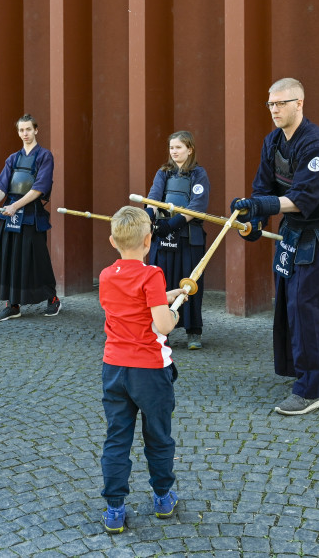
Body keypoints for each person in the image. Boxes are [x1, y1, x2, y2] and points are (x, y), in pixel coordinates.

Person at [231, 77, 319, 416]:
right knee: (292, 300)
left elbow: (303, 198)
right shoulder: (273, 140)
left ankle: (311, 390)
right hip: (293, 231)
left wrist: (262, 206)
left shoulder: (317, 144)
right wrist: (254, 221)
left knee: (309, 305)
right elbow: (263, 187)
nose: (274, 109)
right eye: (271, 104)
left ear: (299, 103)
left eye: (281, 103)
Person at [98, 206, 185, 533]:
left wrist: (165, 296)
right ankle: (162, 498)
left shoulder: (106, 275)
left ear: (112, 241)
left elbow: (131, 303)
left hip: (114, 367)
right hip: (149, 370)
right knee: (158, 436)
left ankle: (114, 509)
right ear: (149, 241)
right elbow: (163, 325)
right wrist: (173, 312)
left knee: (117, 438)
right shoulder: (152, 275)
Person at [0, 113, 61, 320]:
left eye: (28, 129)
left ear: (36, 130)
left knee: (37, 258)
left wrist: (15, 206)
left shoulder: (45, 156)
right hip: (10, 215)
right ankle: (13, 304)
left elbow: (39, 188)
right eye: (21, 130)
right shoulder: (13, 158)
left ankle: (52, 299)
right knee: (9, 257)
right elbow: (2, 185)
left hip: (31, 214)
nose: (25, 133)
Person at [146, 130, 210, 350]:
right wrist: (149, 217)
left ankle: (194, 331)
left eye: (179, 147)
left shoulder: (199, 174)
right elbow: (154, 197)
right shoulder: (163, 172)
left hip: (188, 237)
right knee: (161, 284)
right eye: (171, 147)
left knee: (190, 283)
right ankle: (162, 330)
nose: (174, 151)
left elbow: (197, 206)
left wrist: (174, 223)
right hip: (163, 236)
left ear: (189, 149)